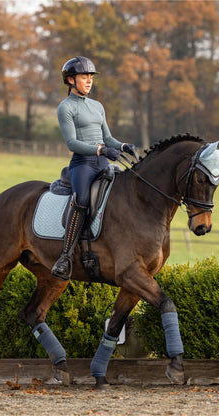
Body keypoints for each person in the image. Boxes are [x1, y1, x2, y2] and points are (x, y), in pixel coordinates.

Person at [51, 56, 137, 281]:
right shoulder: (65, 108)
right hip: (83, 165)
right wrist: (100, 150)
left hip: (103, 163)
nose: (89, 81)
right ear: (71, 79)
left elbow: (107, 138)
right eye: (84, 76)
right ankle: (66, 256)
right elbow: (72, 143)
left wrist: (123, 146)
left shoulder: (97, 106)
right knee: (81, 199)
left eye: (90, 77)